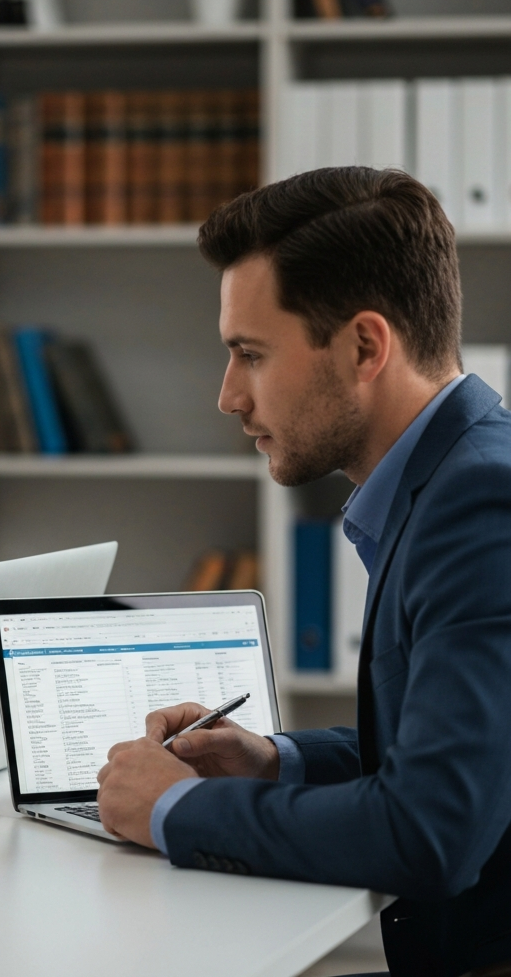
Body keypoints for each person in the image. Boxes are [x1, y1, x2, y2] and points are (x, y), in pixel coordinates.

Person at [96, 167, 511, 977]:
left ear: (364, 346)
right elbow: (460, 751)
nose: (227, 396)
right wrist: (274, 760)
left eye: (249, 354)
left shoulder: (479, 505)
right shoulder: (452, 475)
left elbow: (431, 833)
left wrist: (177, 808)